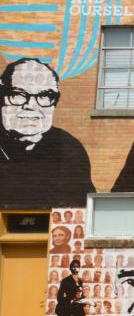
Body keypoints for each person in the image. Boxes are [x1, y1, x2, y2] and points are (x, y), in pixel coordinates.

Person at [0, 58, 95, 208]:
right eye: (18, 94)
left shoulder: (69, 148)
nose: (31, 106)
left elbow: (80, 206)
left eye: (44, 96)